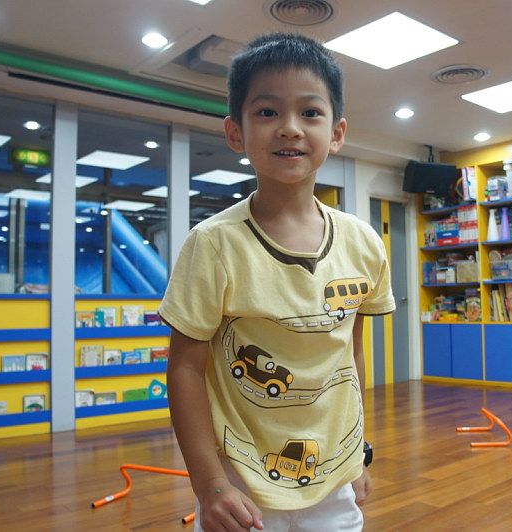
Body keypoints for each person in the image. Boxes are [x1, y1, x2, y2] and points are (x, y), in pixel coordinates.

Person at [159, 32, 396, 532]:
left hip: (333, 475)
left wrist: (357, 451)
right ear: (235, 132)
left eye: (310, 112)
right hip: (240, 479)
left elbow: (350, 357)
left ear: (336, 132)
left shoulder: (364, 243)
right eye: (267, 112)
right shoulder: (213, 244)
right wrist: (209, 484)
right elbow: (184, 369)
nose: (290, 127)